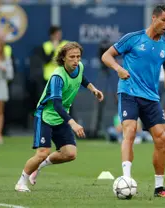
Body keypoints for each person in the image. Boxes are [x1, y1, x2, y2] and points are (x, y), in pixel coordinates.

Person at [101, 4, 165, 198]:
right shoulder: (133, 38)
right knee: (130, 130)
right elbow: (106, 56)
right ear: (154, 18)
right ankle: (126, 179)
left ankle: (159, 188)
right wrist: (118, 69)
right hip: (129, 92)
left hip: (151, 97)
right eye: (164, 20)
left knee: (161, 137)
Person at [14, 42, 104, 192]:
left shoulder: (78, 67)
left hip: (61, 118)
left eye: (78, 57)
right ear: (63, 58)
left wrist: (93, 89)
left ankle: (40, 166)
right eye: (72, 57)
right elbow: (56, 105)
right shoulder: (58, 77)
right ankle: (21, 182)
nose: (76, 60)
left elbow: (82, 78)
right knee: (42, 153)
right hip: (46, 116)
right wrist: (73, 123)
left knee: (70, 153)